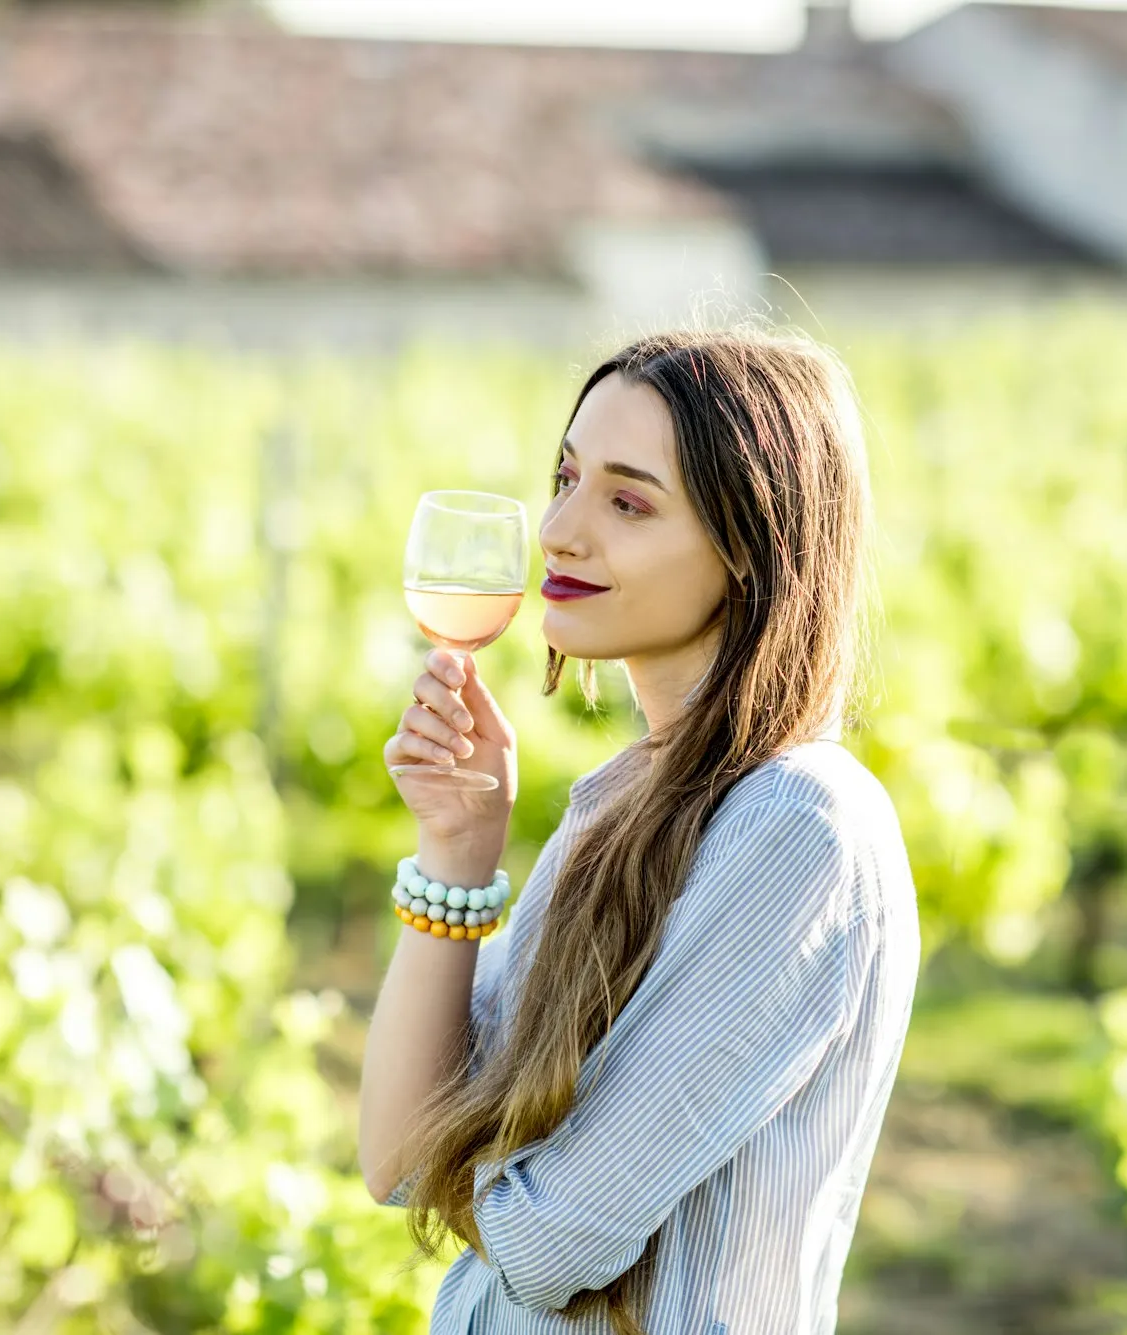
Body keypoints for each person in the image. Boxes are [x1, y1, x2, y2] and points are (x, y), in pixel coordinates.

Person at [358, 325, 920, 1335]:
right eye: (564, 479)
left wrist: (476, 1140)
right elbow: (395, 1159)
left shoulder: (796, 829)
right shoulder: (620, 808)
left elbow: (547, 1244)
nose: (561, 532)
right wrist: (455, 853)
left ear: (752, 545)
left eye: (626, 501)